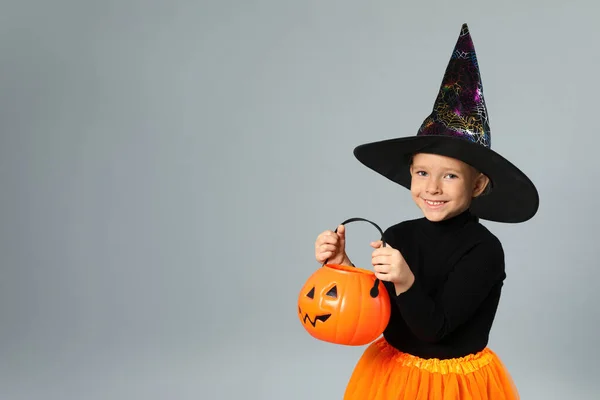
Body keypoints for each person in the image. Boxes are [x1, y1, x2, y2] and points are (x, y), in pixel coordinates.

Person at [314, 23, 538, 399]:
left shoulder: (483, 250)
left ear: (478, 185)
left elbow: (435, 329)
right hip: (392, 376)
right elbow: (378, 311)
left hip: (452, 385)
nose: (432, 188)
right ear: (411, 173)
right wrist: (345, 265)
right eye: (422, 173)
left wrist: (404, 280)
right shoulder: (399, 236)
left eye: (450, 175)